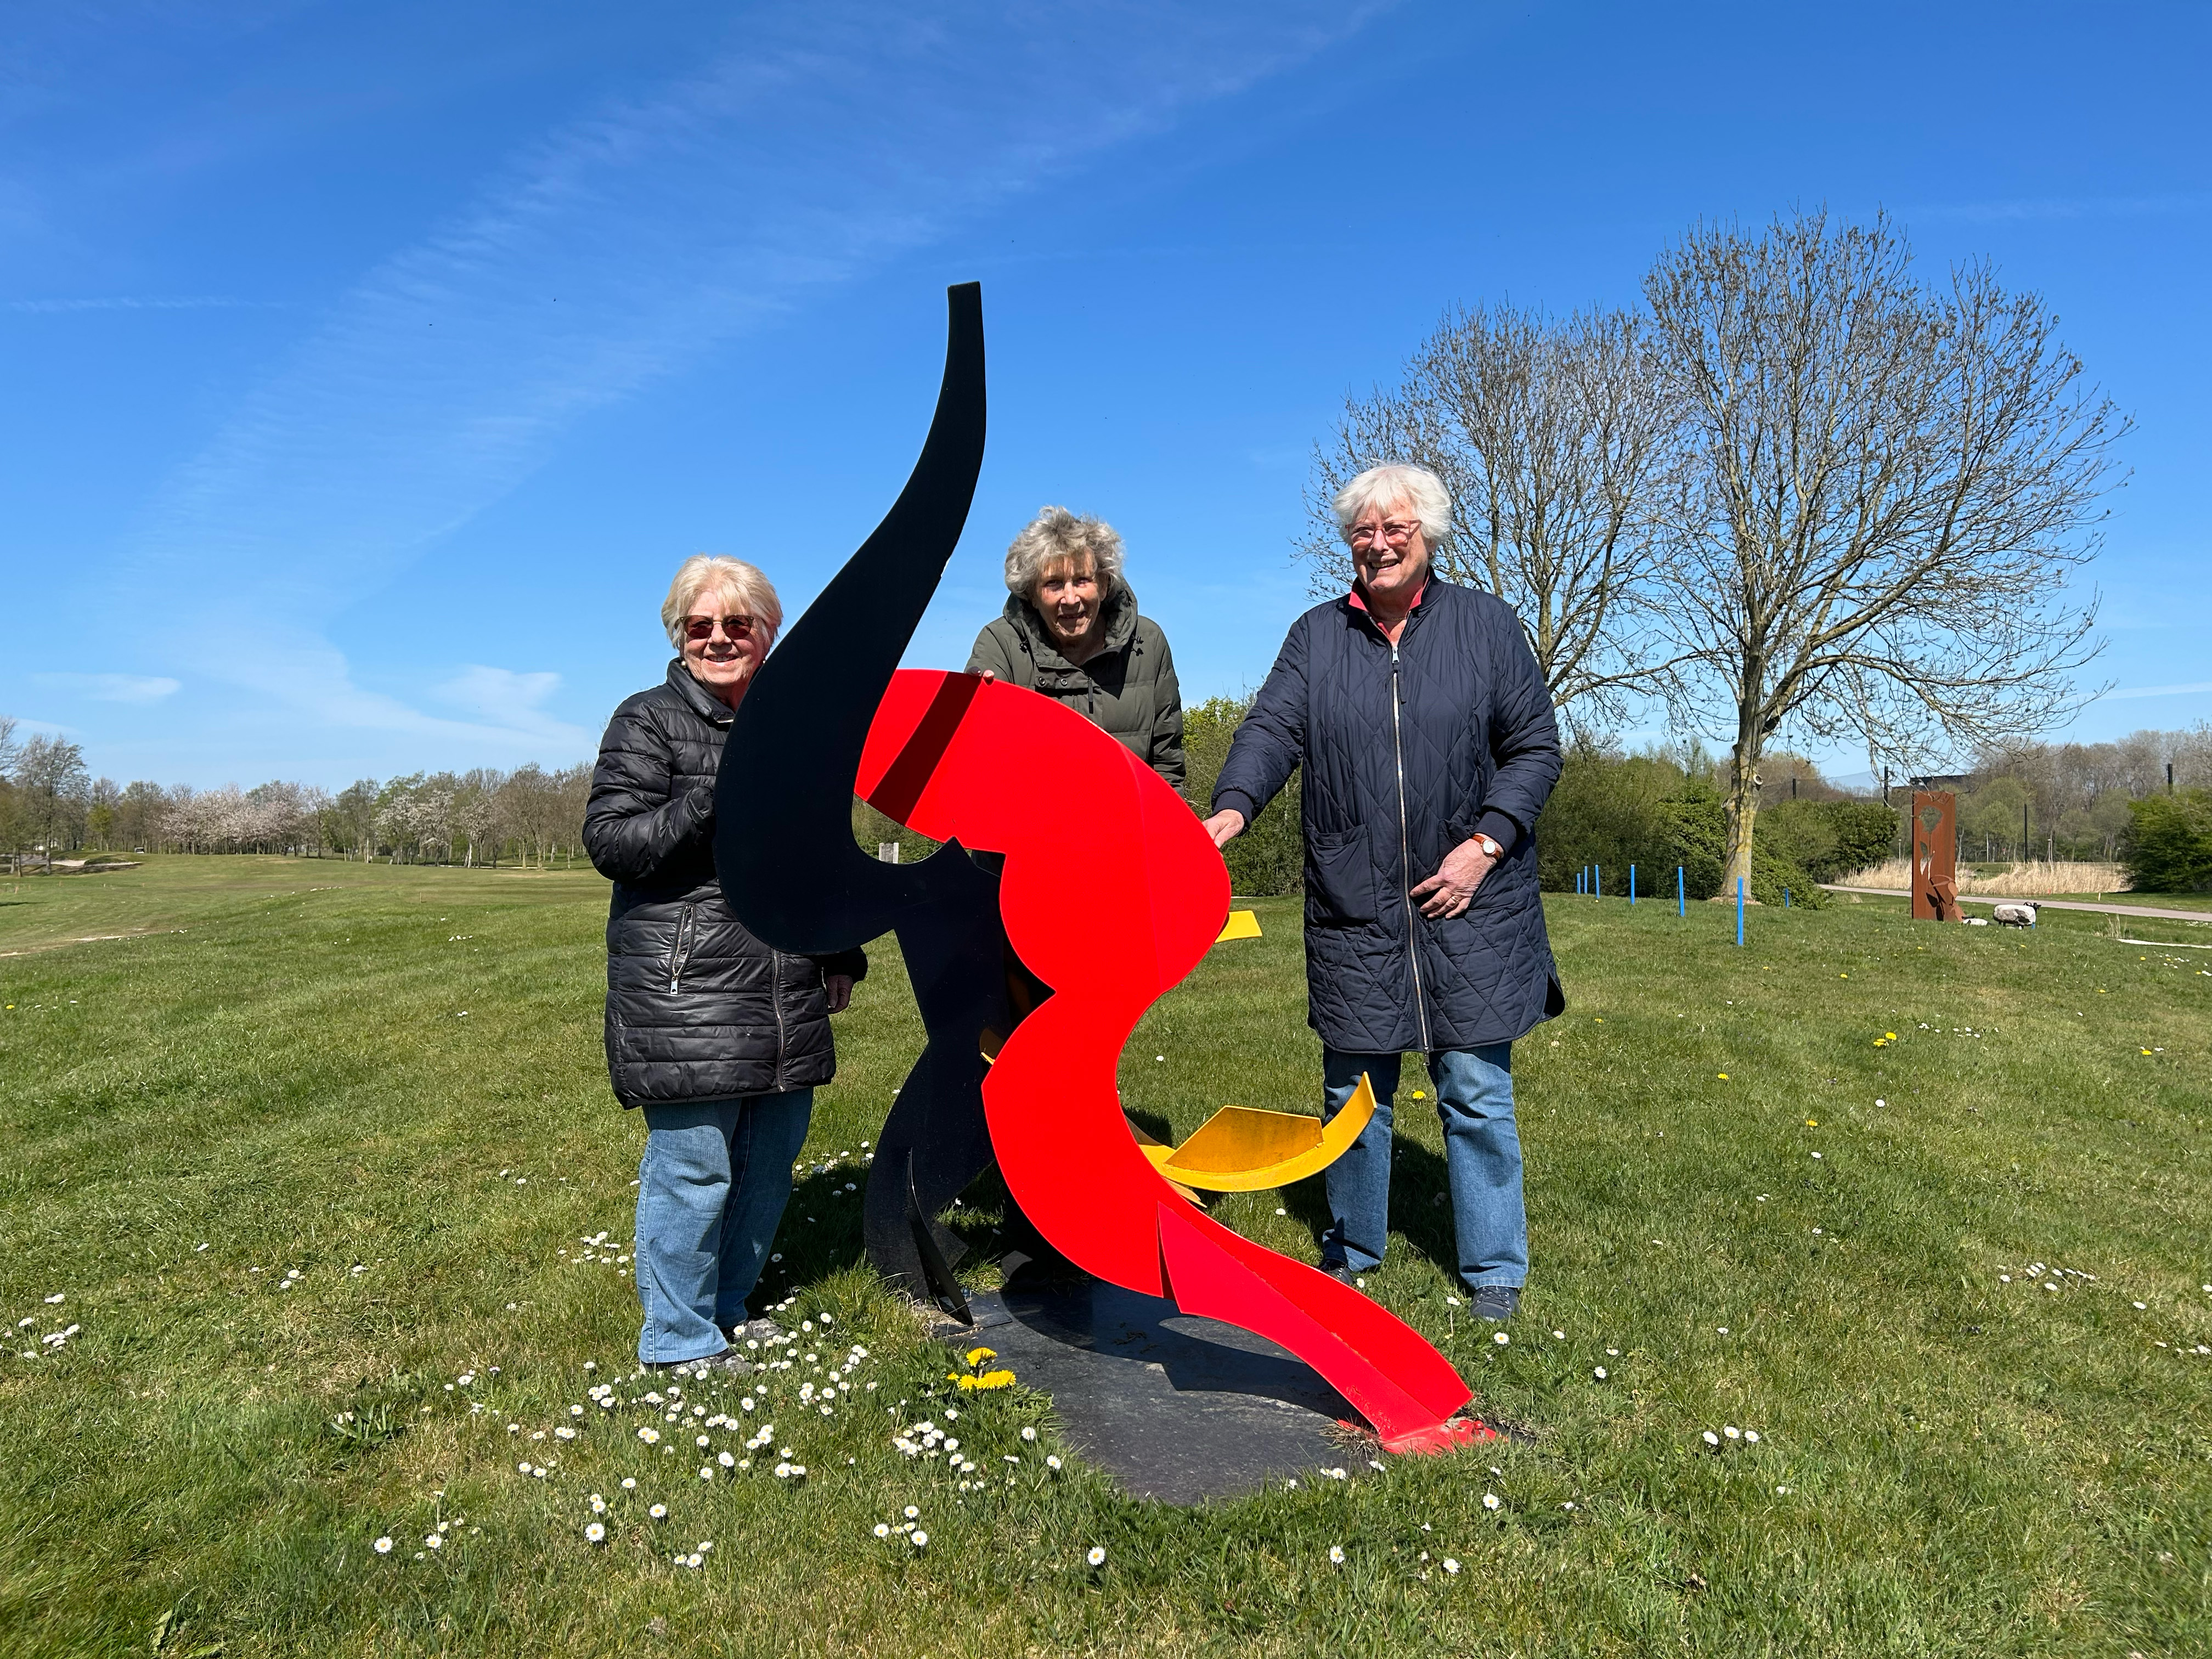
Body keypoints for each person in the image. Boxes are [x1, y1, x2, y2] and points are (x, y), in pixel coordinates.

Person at [1204, 464, 1563, 1321]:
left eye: (1395, 528)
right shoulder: (1316, 636)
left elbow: (1536, 749)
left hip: (1472, 899)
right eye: (1364, 531)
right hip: (1354, 904)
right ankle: (1354, 1249)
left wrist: (1485, 846)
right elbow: (1271, 730)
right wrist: (1230, 809)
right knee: (1354, 1096)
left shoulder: (1485, 626)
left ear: (1429, 534)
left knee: (1474, 1090)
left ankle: (1494, 1275)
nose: (1379, 543)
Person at [584, 554, 866, 1371]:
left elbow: (820, 855)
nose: (718, 639)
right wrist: (714, 795)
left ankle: (730, 1305)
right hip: (688, 980)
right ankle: (676, 1340)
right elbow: (613, 843)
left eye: (737, 624)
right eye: (700, 626)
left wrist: (839, 948)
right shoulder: (645, 721)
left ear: (766, 633)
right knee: (695, 1168)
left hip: (784, 979)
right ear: (680, 636)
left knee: (769, 1163)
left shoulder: (799, 727)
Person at [967, 505, 1184, 787]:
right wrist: (974, 707)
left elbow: (1167, 766)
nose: (1070, 599)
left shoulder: (1147, 643)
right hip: (1032, 826)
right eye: (1053, 584)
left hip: (1124, 828)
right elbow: (983, 761)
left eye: (1082, 580)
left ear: (1104, 584)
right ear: (1031, 594)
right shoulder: (1000, 644)